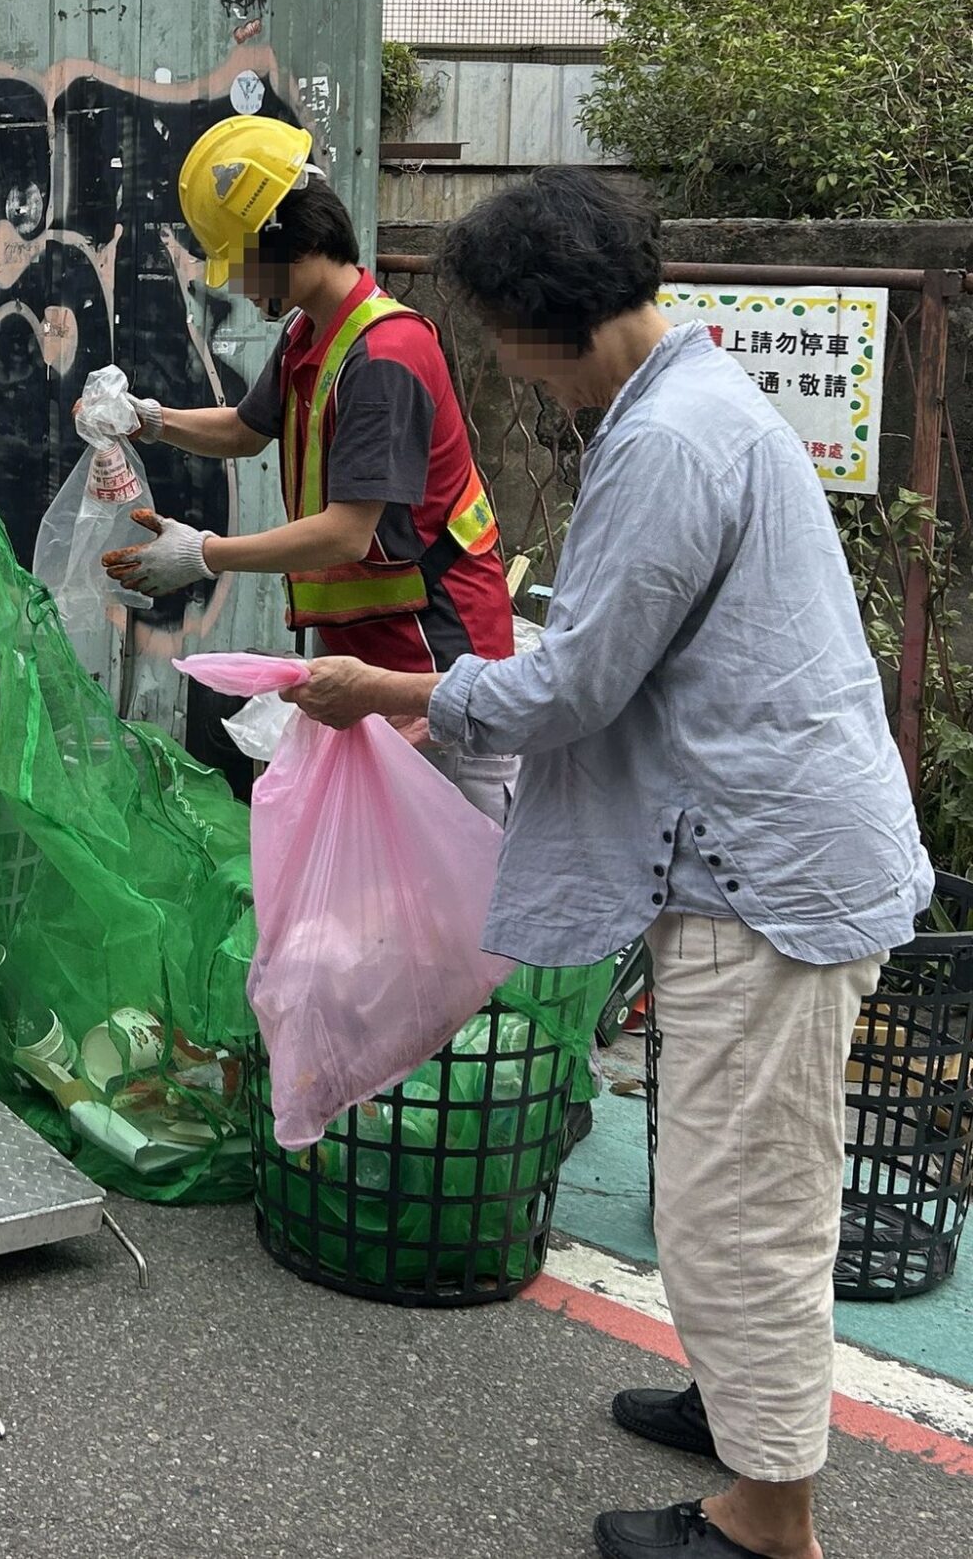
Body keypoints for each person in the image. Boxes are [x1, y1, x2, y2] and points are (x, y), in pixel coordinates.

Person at [290, 169, 931, 1559]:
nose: (499, 364)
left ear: (539, 327)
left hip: (767, 876)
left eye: (497, 339)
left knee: (741, 1192)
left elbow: (574, 688)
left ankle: (769, 1521)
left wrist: (393, 693)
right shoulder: (690, 401)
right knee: (735, 1169)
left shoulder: (669, 443)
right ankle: (742, 1407)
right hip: (771, 849)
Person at [102, 115, 517, 815]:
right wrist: (148, 420)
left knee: (457, 901)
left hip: (436, 666)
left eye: (241, 261)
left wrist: (206, 555)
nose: (237, 285)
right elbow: (243, 429)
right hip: (370, 661)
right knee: (378, 900)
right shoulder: (312, 333)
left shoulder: (384, 356)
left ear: (286, 242)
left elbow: (346, 534)